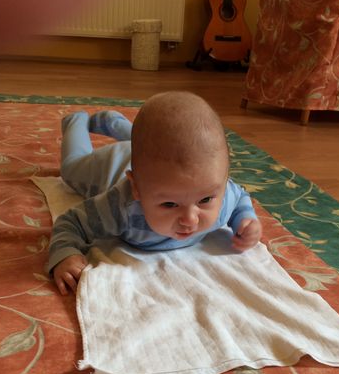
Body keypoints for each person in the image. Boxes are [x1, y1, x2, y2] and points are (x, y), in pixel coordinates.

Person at [48, 91, 262, 295]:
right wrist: (66, 253)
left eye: (205, 200)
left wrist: (245, 218)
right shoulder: (121, 206)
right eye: (170, 204)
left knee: (153, 143)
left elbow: (240, 196)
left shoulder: (220, 195)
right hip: (112, 163)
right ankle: (76, 121)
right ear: (136, 189)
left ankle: (115, 123)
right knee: (70, 169)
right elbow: (71, 222)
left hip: (154, 159)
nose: (190, 220)